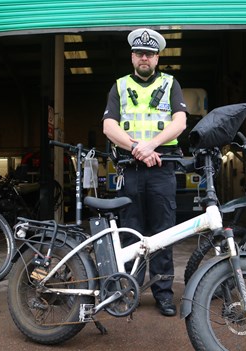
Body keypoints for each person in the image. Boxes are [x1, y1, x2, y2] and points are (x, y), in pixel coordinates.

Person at [102, 28, 188, 316]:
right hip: (131, 170)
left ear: (157, 58)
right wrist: (138, 147)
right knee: (131, 232)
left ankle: (164, 293)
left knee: (163, 233)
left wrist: (150, 145)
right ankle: (131, 290)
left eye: (149, 54)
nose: (144, 58)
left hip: (162, 170)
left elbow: (180, 122)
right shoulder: (119, 86)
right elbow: (109, 127)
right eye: (139, 53)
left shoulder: (171, 83)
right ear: (132, 56)